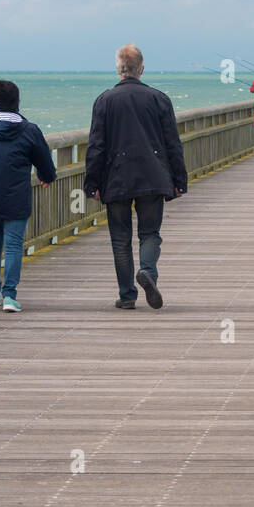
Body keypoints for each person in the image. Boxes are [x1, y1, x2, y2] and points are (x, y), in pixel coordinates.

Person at [84, 44, 188, 311]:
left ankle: (127, 296)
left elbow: (96, 146)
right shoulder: (159, 99)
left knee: (120, 238)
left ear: (118, 69)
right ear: (142, 69)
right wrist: (179, 180)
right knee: (150, 233)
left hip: (116, 178)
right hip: (152, 176)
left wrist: (92, 183)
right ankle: (148, 272)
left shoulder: (104, 100)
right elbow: (173, 143)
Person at [0, 79, 57, 313]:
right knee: (14, 245)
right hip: (17, 196)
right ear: (17, 103)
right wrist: (46, 176)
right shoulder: (29, 130)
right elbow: (45, 162)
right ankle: (9, 295)